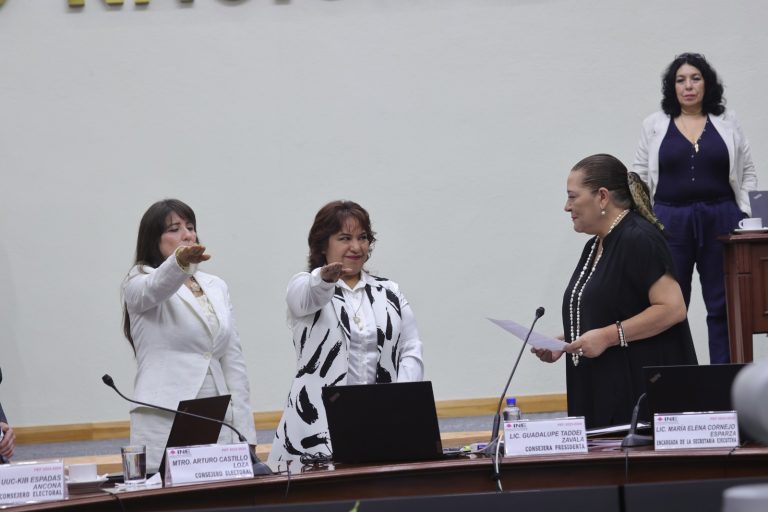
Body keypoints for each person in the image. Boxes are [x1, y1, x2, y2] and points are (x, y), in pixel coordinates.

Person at [533, 154, 698, 428]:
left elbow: (672, 308)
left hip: (638, 399)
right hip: (599, 390)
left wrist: (608, 337)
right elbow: (611, 308)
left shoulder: (638, 237)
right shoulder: (595, 245)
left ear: (602, 197)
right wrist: (565, 342)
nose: (566, 206)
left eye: (573, 197)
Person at [268, 200, 424, 467]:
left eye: (362, 238)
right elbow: (308, 297)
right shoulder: (305, 286)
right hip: (315, 426)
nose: (356, 246)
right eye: (344, 238)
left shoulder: (390, 292)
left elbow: (410, 348)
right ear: (321, 244)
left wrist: (398, 400)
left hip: (380, 420)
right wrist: (325, 279)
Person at [633, 53, 757, 364]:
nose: (688, 86)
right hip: (670, 220)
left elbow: (749, 171)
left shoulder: (728, 122)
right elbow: (638, 176)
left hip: (722, 218)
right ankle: (676, 384)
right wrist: (646, 220)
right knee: (670, 305)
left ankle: (726, 383)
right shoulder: (654, 124)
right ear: (672, 87)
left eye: (695, 78)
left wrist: (742, 212)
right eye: (681, 80)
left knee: (723, 305)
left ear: (707, 83)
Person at [122, 199, 257, 471]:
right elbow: (156, 287)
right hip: (165, 414)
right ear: (154, 239)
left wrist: (246, 431)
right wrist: (178, 263)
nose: (187, 234)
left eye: (191, 227)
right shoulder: (138, 281)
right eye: (174, 228)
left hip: (217, 414)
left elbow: (233, 362)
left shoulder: (215, 285)